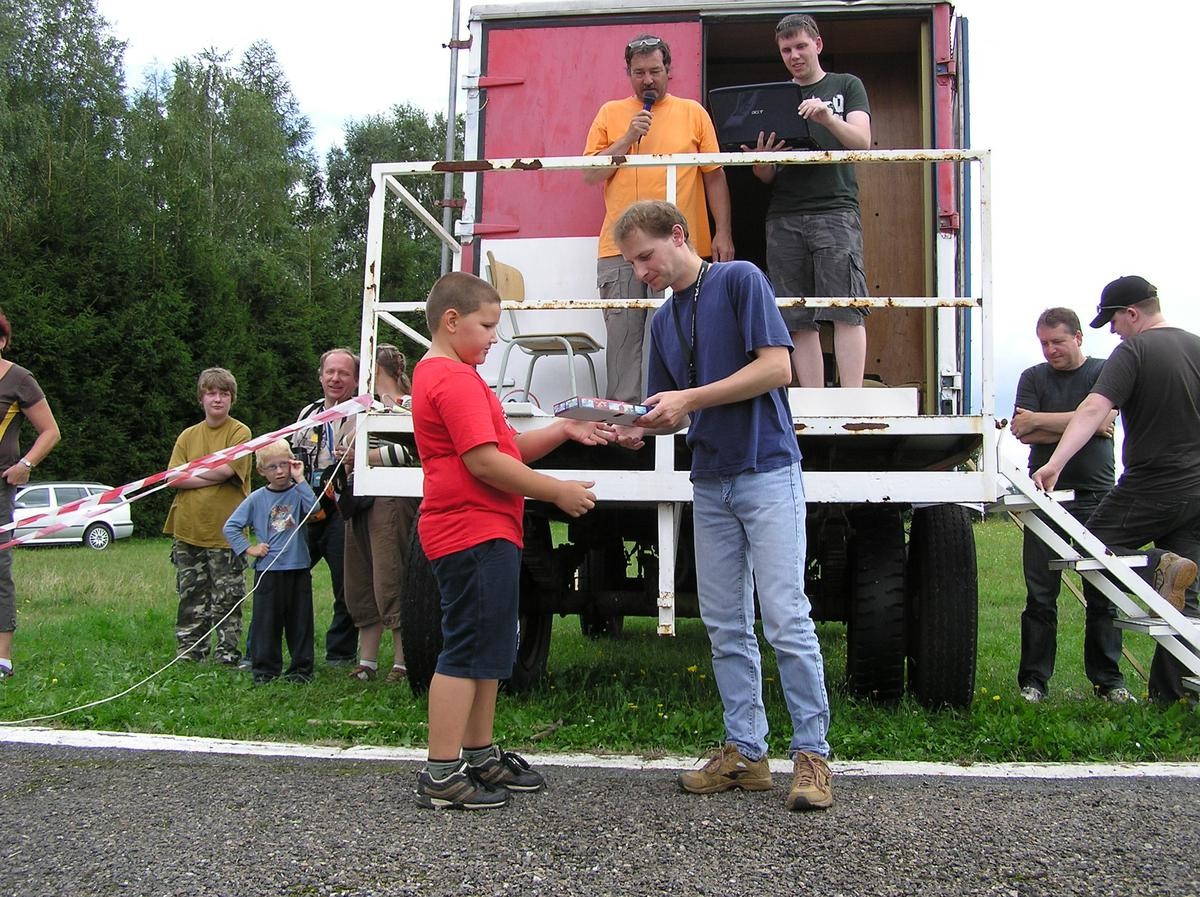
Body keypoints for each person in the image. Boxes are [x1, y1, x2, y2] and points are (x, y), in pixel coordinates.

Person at [613, 200, 833, 811]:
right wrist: (634, 427)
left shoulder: (740, 279)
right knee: (725, 624)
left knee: (785, 618)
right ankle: (747, 754)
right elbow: (671, 412)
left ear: (678, 235)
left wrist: (687, 400)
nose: (641, 272)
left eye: (646, 257)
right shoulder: (663, 321)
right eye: (632, 264)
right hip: (710, 479)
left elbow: (776, 368)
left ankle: (812, 756)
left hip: (768, 469)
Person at [411, 271, 614, 810]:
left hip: (486, 530)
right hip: (469, 531)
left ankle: (479, 755)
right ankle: (441, 773)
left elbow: (507, 448)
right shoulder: (452, 380)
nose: (494, 337)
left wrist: (564, 428)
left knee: (490, 648)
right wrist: (556, 492)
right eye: (487, 326)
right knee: (467, 648)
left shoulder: (458, 375)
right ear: (451, 321)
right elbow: (484, 463)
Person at [1033, 275, 1200, 705]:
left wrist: (1055, 463)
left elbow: (1094, 408)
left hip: (1151, 483)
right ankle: (1172, 697)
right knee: (1186, 598)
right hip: (1197, 491)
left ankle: (1158, 565)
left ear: (1132, 313)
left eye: (1114, 320)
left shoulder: (1135, 350)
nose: (1112, 331)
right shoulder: (1197, 346)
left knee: (1092, 550)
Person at [584, 33, 734, 405]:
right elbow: (588, 173)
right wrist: (626, 138)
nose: (648, 80)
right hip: (618, 251)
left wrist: (723, 232)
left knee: (676, 335)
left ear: (669, 70)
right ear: (628, 74)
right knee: (623, 341)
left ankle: (670, 417)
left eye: (654, 70)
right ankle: (625, 424)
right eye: (639, 73)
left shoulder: (693, 113)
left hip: (677, 248)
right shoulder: (610, 113)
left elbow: (714, 175)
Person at [745, 14, 872, 388]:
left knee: (846, 308)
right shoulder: (774, 97)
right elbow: (765, 176)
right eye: (786, 50)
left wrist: (828, 118)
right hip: (784, 213)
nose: (794, 55)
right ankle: (814, 399)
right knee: (796, 315)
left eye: (800, 46)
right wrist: (761, 159)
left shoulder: (846, 84)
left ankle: (851, 400)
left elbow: (862, 141)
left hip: (835, 208)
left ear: (817, 44)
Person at [1011, 308, 1119, 703]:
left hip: (1096, 496)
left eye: (1057, 341)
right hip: (1044, 498)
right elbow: (1023, 430)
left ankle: (1109, 682)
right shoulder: (1032, 377)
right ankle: (1034, 682)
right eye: (1044, 343)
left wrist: (1042, 420)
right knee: (1040, 597)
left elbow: (1106, 419)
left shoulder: (1104, 371)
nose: (1050, 350)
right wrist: (1085, 422)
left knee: (1103, 594)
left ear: (1078, 337)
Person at [163, 367, 252, 665]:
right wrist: (207, 473)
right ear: (201, 398)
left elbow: (228, 470)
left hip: (226, 533)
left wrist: (192, 472)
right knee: (191, 595)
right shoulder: (188, 436)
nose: (217, 399)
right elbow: (172, 478)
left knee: (227, 597)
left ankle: (227, 654)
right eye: (211, 393)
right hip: (188, 529)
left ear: (232, 399)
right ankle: (190, 652)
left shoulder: (240, 433)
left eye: (224, 394)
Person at [343, 344, 421, 684]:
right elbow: (345, 448)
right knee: (360, 577)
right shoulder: (361, 406)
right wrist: (352, 454)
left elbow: (412, 451)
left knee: (391, 574)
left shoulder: (410, 404)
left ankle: (403, 661)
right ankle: (368, 661)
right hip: (360, 498)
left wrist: (364, 455)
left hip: (392, 498)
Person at [223, 439, 317, 684]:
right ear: (261, 471)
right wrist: (250, 548)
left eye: (284, 465)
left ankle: (301, 670)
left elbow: (315, 509)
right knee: (266, 622)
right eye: (272, 467)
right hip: (269, 570)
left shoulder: (298, 493)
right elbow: (231, 526)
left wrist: (301, 478)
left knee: (300, 622)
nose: (279, 471)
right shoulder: (257, 499)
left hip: (298, 568)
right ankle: (265, 670)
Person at [0, 309, 61, 679]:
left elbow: (50, 431)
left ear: (2, 340)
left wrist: (26, 464)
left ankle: (2, 658)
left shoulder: (19, 379)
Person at [291, 348, 359, 666]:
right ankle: (288, 643)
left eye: (343, 373)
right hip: (305, 503)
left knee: (346, 584)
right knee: (289, 575)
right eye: (330, 372)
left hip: (342, 508)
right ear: (320, 376)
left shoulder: (363, 413)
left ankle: (341, 653)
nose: (335, 378)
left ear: (356, 380)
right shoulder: (308, 412)